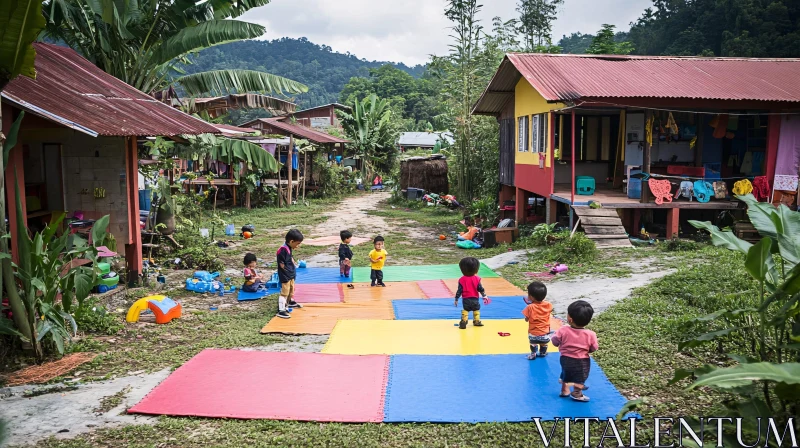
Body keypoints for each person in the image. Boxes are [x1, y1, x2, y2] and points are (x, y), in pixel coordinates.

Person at [551, 300, 598, 402]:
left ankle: (564, 390)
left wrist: (558, 344)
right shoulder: (590, 334)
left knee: (566, 373)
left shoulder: (563, 330)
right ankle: (576, 392)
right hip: (582, 361)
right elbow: (594, 348)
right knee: (580, 377)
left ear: (570, 319)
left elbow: (554, 341)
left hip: (565, 358)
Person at [454, 257, 489, 329]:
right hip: (475, 299)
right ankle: (476, 321)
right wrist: (484, 295)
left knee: (466, 310)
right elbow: (480, 288)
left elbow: (459, 290)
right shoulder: (477, 279)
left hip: (466, 299)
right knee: (476, 309)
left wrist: (456, 298)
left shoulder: (461, 280)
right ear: (476, 269)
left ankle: (464, 321)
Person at [276, 229, 304, 319]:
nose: (298, 246)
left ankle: (290, 302)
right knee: (285, 291)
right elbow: (282, 265)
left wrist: (294, 264)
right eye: (298, 243)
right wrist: (287, 272)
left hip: (291, 273)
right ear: (291, 241)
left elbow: (290, 258)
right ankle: (281, 310)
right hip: (285, 274)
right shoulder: (282, 250)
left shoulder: (289, 248)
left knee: (291, 289)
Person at [522, 281, 554, 360]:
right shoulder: (548, 305)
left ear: (531, 297)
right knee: (544, 344)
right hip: (545, 334)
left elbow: (526, 319)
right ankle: (543, 353)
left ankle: (533, 354)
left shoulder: (530, 307)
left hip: (533, 334)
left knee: (533, 343)